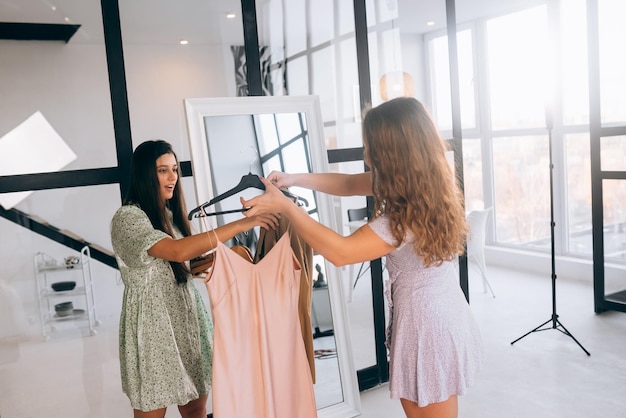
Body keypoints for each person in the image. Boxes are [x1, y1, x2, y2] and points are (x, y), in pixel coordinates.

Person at [241, 97, 484, 418]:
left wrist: (286, 207)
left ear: (391, 150)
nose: (366, 153)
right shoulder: (422, 186)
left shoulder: (404, 216)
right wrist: (293, 178)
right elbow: (349, 183)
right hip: (436, 313)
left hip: (428, 327)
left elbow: (341, 253)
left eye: (370, 145)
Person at [110, 139, 278, 418]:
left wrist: (229, 256)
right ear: (144, 174)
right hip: (153, 331)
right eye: (163, 170)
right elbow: (177, 252)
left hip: (186, 320)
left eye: (174, 169)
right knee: (152, 411)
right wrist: (244, 222)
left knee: (196, 410)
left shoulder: (170, 217)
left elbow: (187, 266)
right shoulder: (128, 219)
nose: (173, 177)